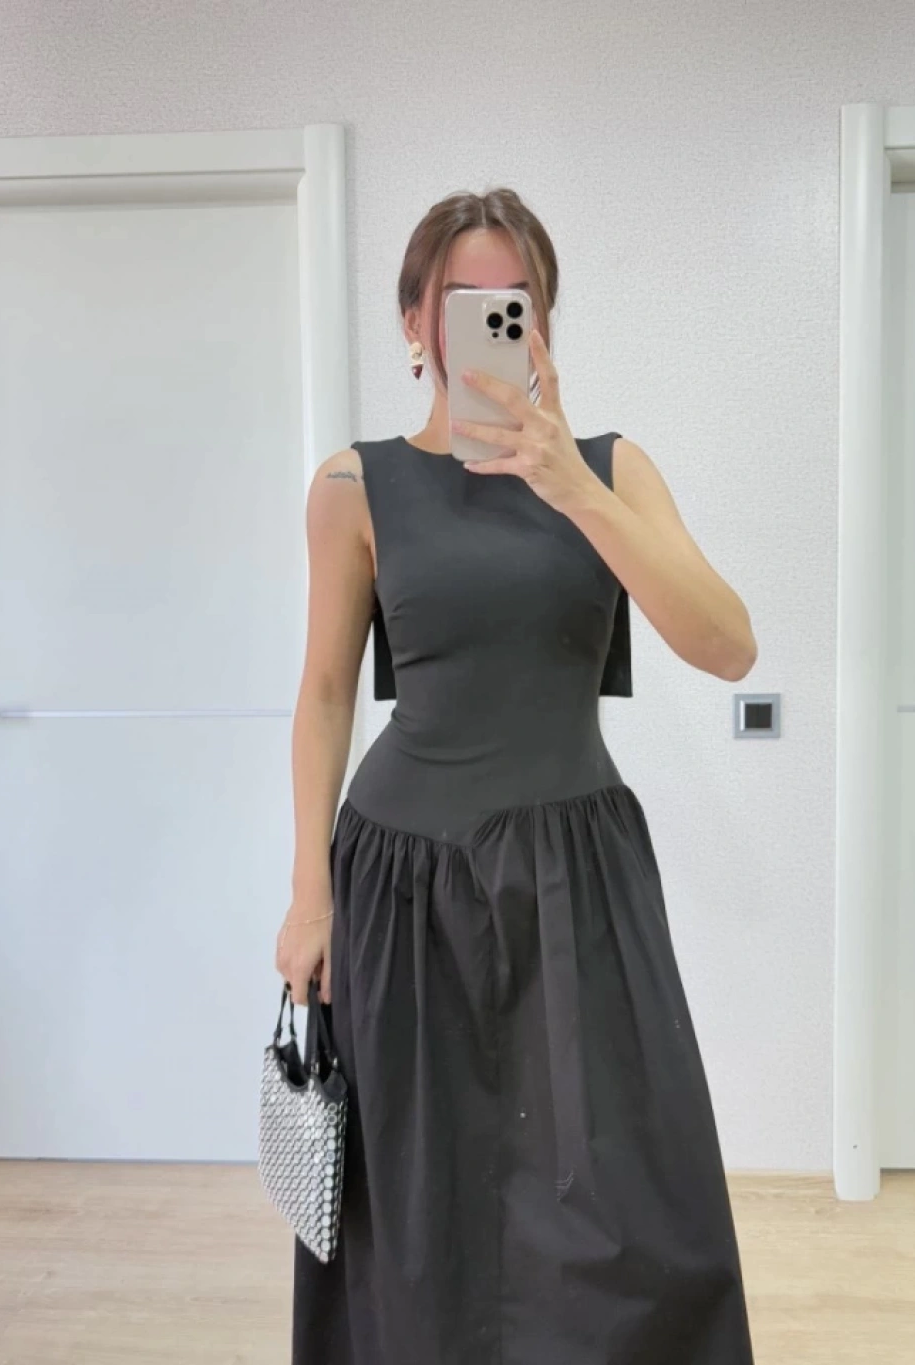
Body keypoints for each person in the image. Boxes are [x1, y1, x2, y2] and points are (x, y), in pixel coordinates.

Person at [277, 186, 758, 1365]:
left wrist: (570, 488)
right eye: (462, 300)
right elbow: (327, 691)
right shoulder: (352, 488)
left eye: (515, 299)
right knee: (417, 1205)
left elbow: (726, 644)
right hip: (400, 879)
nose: (491, 320)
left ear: (542, 321)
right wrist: (308, 894)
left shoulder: (611, 470)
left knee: (625, 1206)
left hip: (571, 875)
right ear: (415, 323)